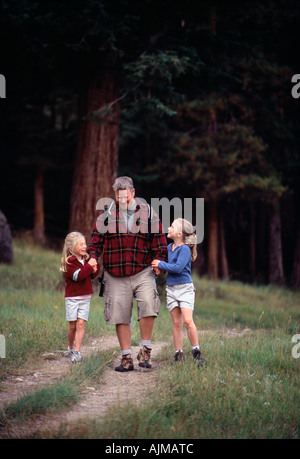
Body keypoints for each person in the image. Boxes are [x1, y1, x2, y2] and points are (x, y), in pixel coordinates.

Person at [88, 176, 167, 372]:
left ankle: (145, 350)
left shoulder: (149, 214)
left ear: (133, 193)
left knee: (149, 304)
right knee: (120, 314)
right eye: (118, 197)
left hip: (142, 270)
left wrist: (159, 261)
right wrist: (92, 257)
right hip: (115, 273)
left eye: (126, 197)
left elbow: (159, 241)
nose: (122, 201)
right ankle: (126, 358)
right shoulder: (106, 215)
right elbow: (95, 241)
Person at [151, 218, 204, 365]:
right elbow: (168, 266)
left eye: (172, 226)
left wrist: (161, 264)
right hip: (172, 288)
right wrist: (159, 268)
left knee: (187, 321)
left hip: (185, 288)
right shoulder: (169, 248)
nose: (169, 228)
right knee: (176, 323)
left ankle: (196, 351)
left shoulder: (185, 249)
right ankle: (178, 353)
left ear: (180, 233)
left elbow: (177, 268)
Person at [60, 231, 99, 363]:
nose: (84, 246)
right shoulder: (70, 262)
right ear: (71, 248)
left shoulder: (86, 260)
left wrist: (94, 269)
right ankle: (70, 348)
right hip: (72, 298)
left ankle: (77, 351)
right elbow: (78, 276)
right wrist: (89, 267)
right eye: (80, 244)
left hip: (85, 297)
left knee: (80, 324)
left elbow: (91, 275)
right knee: (72, 326)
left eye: (84, 244)